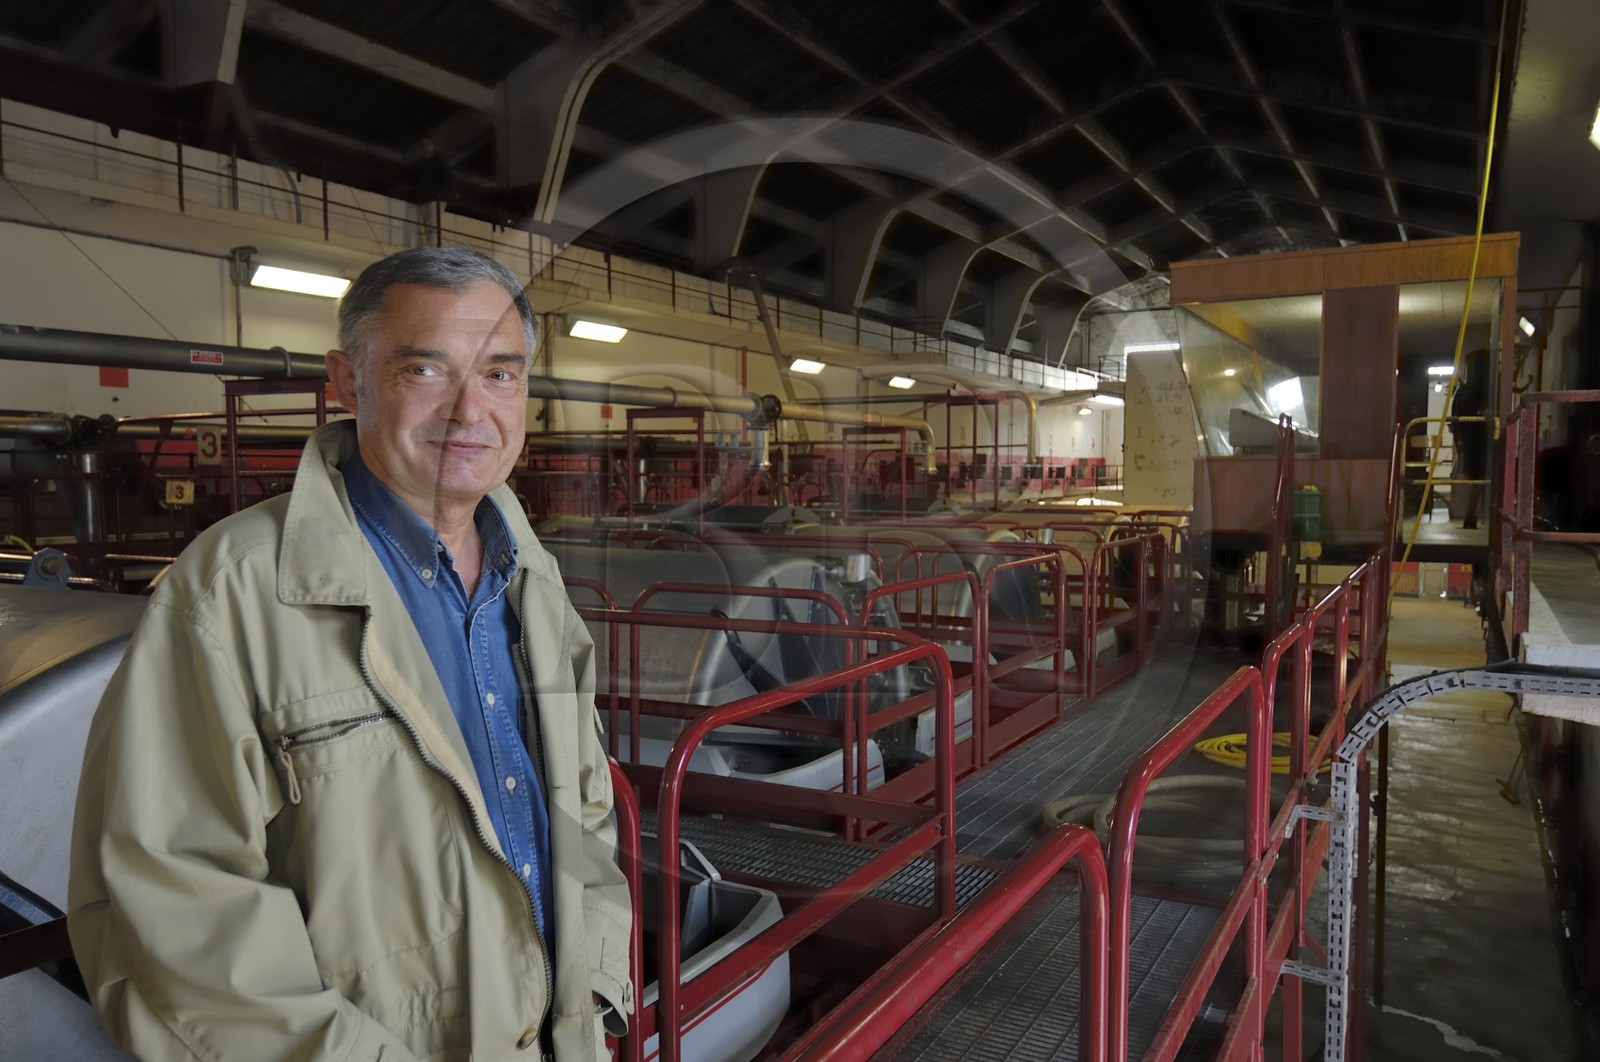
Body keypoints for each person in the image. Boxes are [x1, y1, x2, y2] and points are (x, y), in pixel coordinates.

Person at [68, 247, 632, 1060]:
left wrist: (598, 989)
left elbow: (585, 808)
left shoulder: (532, 578)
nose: (471, 411)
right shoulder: (232, 595)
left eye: (501, 375)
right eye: (426, 371)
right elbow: (179, 904)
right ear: (347, 379)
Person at [1449, 348, 1492, 530]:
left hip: (1470, 441)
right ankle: (1472, 512)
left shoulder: (1463, 391)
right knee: (1478, 478)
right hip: (1478, 441)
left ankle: (1472, 512)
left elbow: (1455, 418)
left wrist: (1459, 440)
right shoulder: (1475, 392)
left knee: (1476, 478)